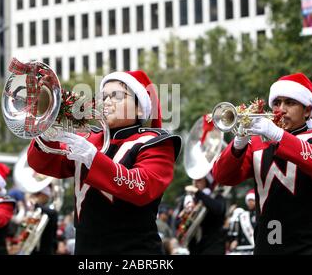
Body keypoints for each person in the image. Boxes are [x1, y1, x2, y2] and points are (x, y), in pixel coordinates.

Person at [27, 70, 181, 254]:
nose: (107, 103)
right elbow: (44, 164)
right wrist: (46, 129)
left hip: (134, 250)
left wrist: (93, 157)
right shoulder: (89, 138)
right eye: (104, 97)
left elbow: (141, 186)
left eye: (116, 96)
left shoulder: (156, 142)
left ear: (140, 108)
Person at [212, 73, 312, 255]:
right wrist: (238, 144)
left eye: (290, 103)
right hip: (265, 247)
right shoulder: (258, 143)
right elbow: (223, 176)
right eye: (276, 103)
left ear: (307, 110)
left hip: (309, 248)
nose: (281, 110)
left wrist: (279, 136)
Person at [178, 175, 226, 255]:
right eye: (194, 180)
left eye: (199, 180)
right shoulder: (189, 199)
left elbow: (219, 209)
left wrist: (198, 193)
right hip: (194, 247)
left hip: (213, 246)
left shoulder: (216, 196)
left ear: (207, 182)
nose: (195, 183)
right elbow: (178, 221)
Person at [28, 185, 59, 255]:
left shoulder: (50, 208)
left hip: (46, 248)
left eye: (39, 194)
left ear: (45, 195)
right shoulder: (35, 209)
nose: (37, 197)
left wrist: (36, 204)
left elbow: (52, 213)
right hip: (34, 249)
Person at [227, 189, 256, 255]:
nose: (250, 202)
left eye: (252, 200)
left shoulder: (260, 216)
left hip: (254, 248)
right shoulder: (243, 216)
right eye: (249, 200)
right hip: (243, 248)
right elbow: (238, 232)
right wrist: (236, 241)